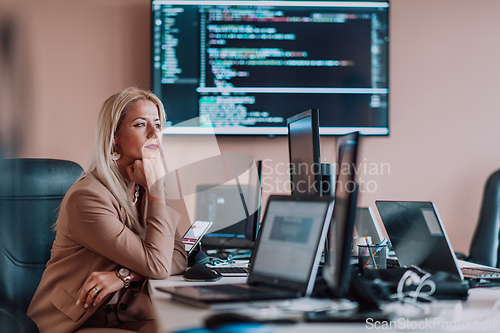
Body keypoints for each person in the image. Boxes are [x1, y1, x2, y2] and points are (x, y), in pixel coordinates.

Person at [27, 87, 188, 333]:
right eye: (140, 125)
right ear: (114, 135)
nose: (155, 133)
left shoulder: (143, 187)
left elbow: (177, 258)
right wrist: (158, 190)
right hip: (74, 323)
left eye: (157, 123)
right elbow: (158, 266)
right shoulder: (88, 198)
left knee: (187, 327)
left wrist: (124, 276)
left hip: (120, 316)